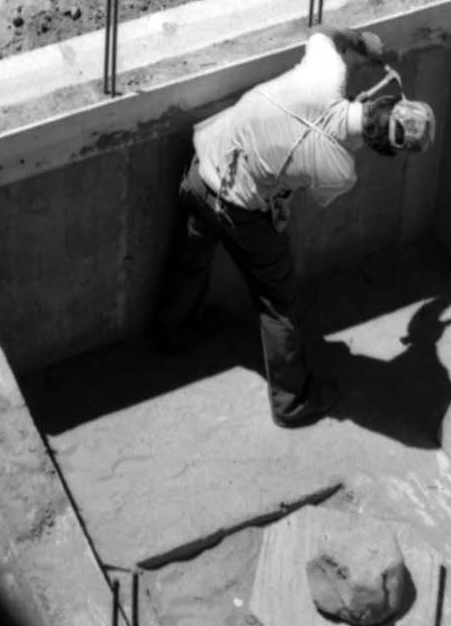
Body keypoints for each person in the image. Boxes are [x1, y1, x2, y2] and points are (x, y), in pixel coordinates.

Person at [154, 26, 436, 428]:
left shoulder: (324, 77)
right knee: (277, 299)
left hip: (201, 170)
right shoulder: (341, 172)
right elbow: (313, 182)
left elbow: (322, 33)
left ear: (380, 97)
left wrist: (358, 45)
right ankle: (290, 401)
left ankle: (173, 333)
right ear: (383, 151)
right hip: (243, 209)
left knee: (193, 254)